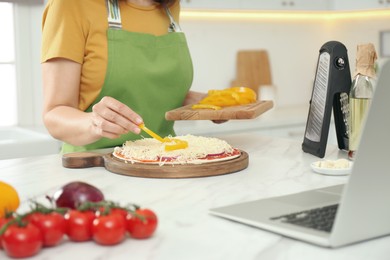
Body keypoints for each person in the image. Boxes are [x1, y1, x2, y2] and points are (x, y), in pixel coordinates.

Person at [41, 0, 206, 153]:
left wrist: (204, 103)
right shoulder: (71, 5)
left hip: (163, 162)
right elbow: (54, 115)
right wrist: (94, 123)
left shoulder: (169, 6)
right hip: (95, 165)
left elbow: (142, 89)